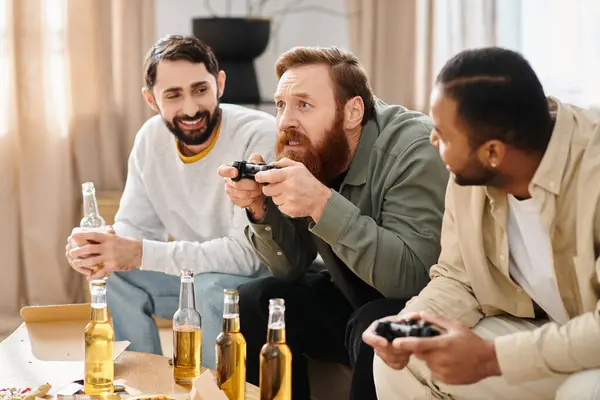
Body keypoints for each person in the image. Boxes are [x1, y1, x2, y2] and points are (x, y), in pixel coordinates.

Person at [364, 47, 600, 400]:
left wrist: (493, 358)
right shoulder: (469, 175)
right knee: (408, 361)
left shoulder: (592, 171)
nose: (432, 141)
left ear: (492, 152)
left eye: (443, 136)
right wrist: (410, 325)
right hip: (548, 331)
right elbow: (460, 278)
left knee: (581, 390)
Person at [219, 46, 449, 400]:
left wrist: (322, 205)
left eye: (304, 105)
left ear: (352, 111)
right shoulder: (306, 148)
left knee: (376, 323)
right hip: (350, 296)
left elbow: (412, 278)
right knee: (258, 300)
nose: (285, 122)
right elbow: (289, 267)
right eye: (281, 105)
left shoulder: (413, 148)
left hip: (417, 305)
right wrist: (260, 210)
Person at [65, 35, 276, 369]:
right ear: (151, 99)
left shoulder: (258, 135)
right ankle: (144, 383)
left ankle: (210, 393)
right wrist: (103, 248)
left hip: (262, 278)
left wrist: (137, 252)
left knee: (208, 288)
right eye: (173, 95)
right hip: (203, 273)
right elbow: (134, 227)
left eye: (200, 90)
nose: (191, 108)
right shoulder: (150, 139)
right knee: (116, 273)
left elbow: (247, 257)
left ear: (219, 84)